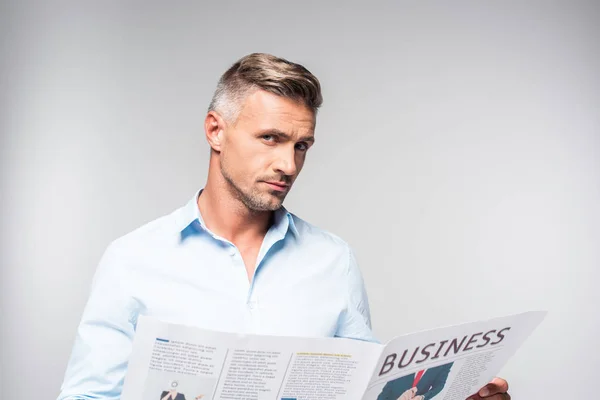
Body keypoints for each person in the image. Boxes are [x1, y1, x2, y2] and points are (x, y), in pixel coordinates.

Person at [56, 53, 511, 400]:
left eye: (302, 146)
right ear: (216, 131)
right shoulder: (133, 259)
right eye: (270, 138)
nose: (288, 164)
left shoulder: (333, 260)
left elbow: (362, 391)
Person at [377, 362, 453, 400]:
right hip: (392, 395)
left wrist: (423, 397)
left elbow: (439, 384)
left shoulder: (449, 356)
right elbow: (392, 380)